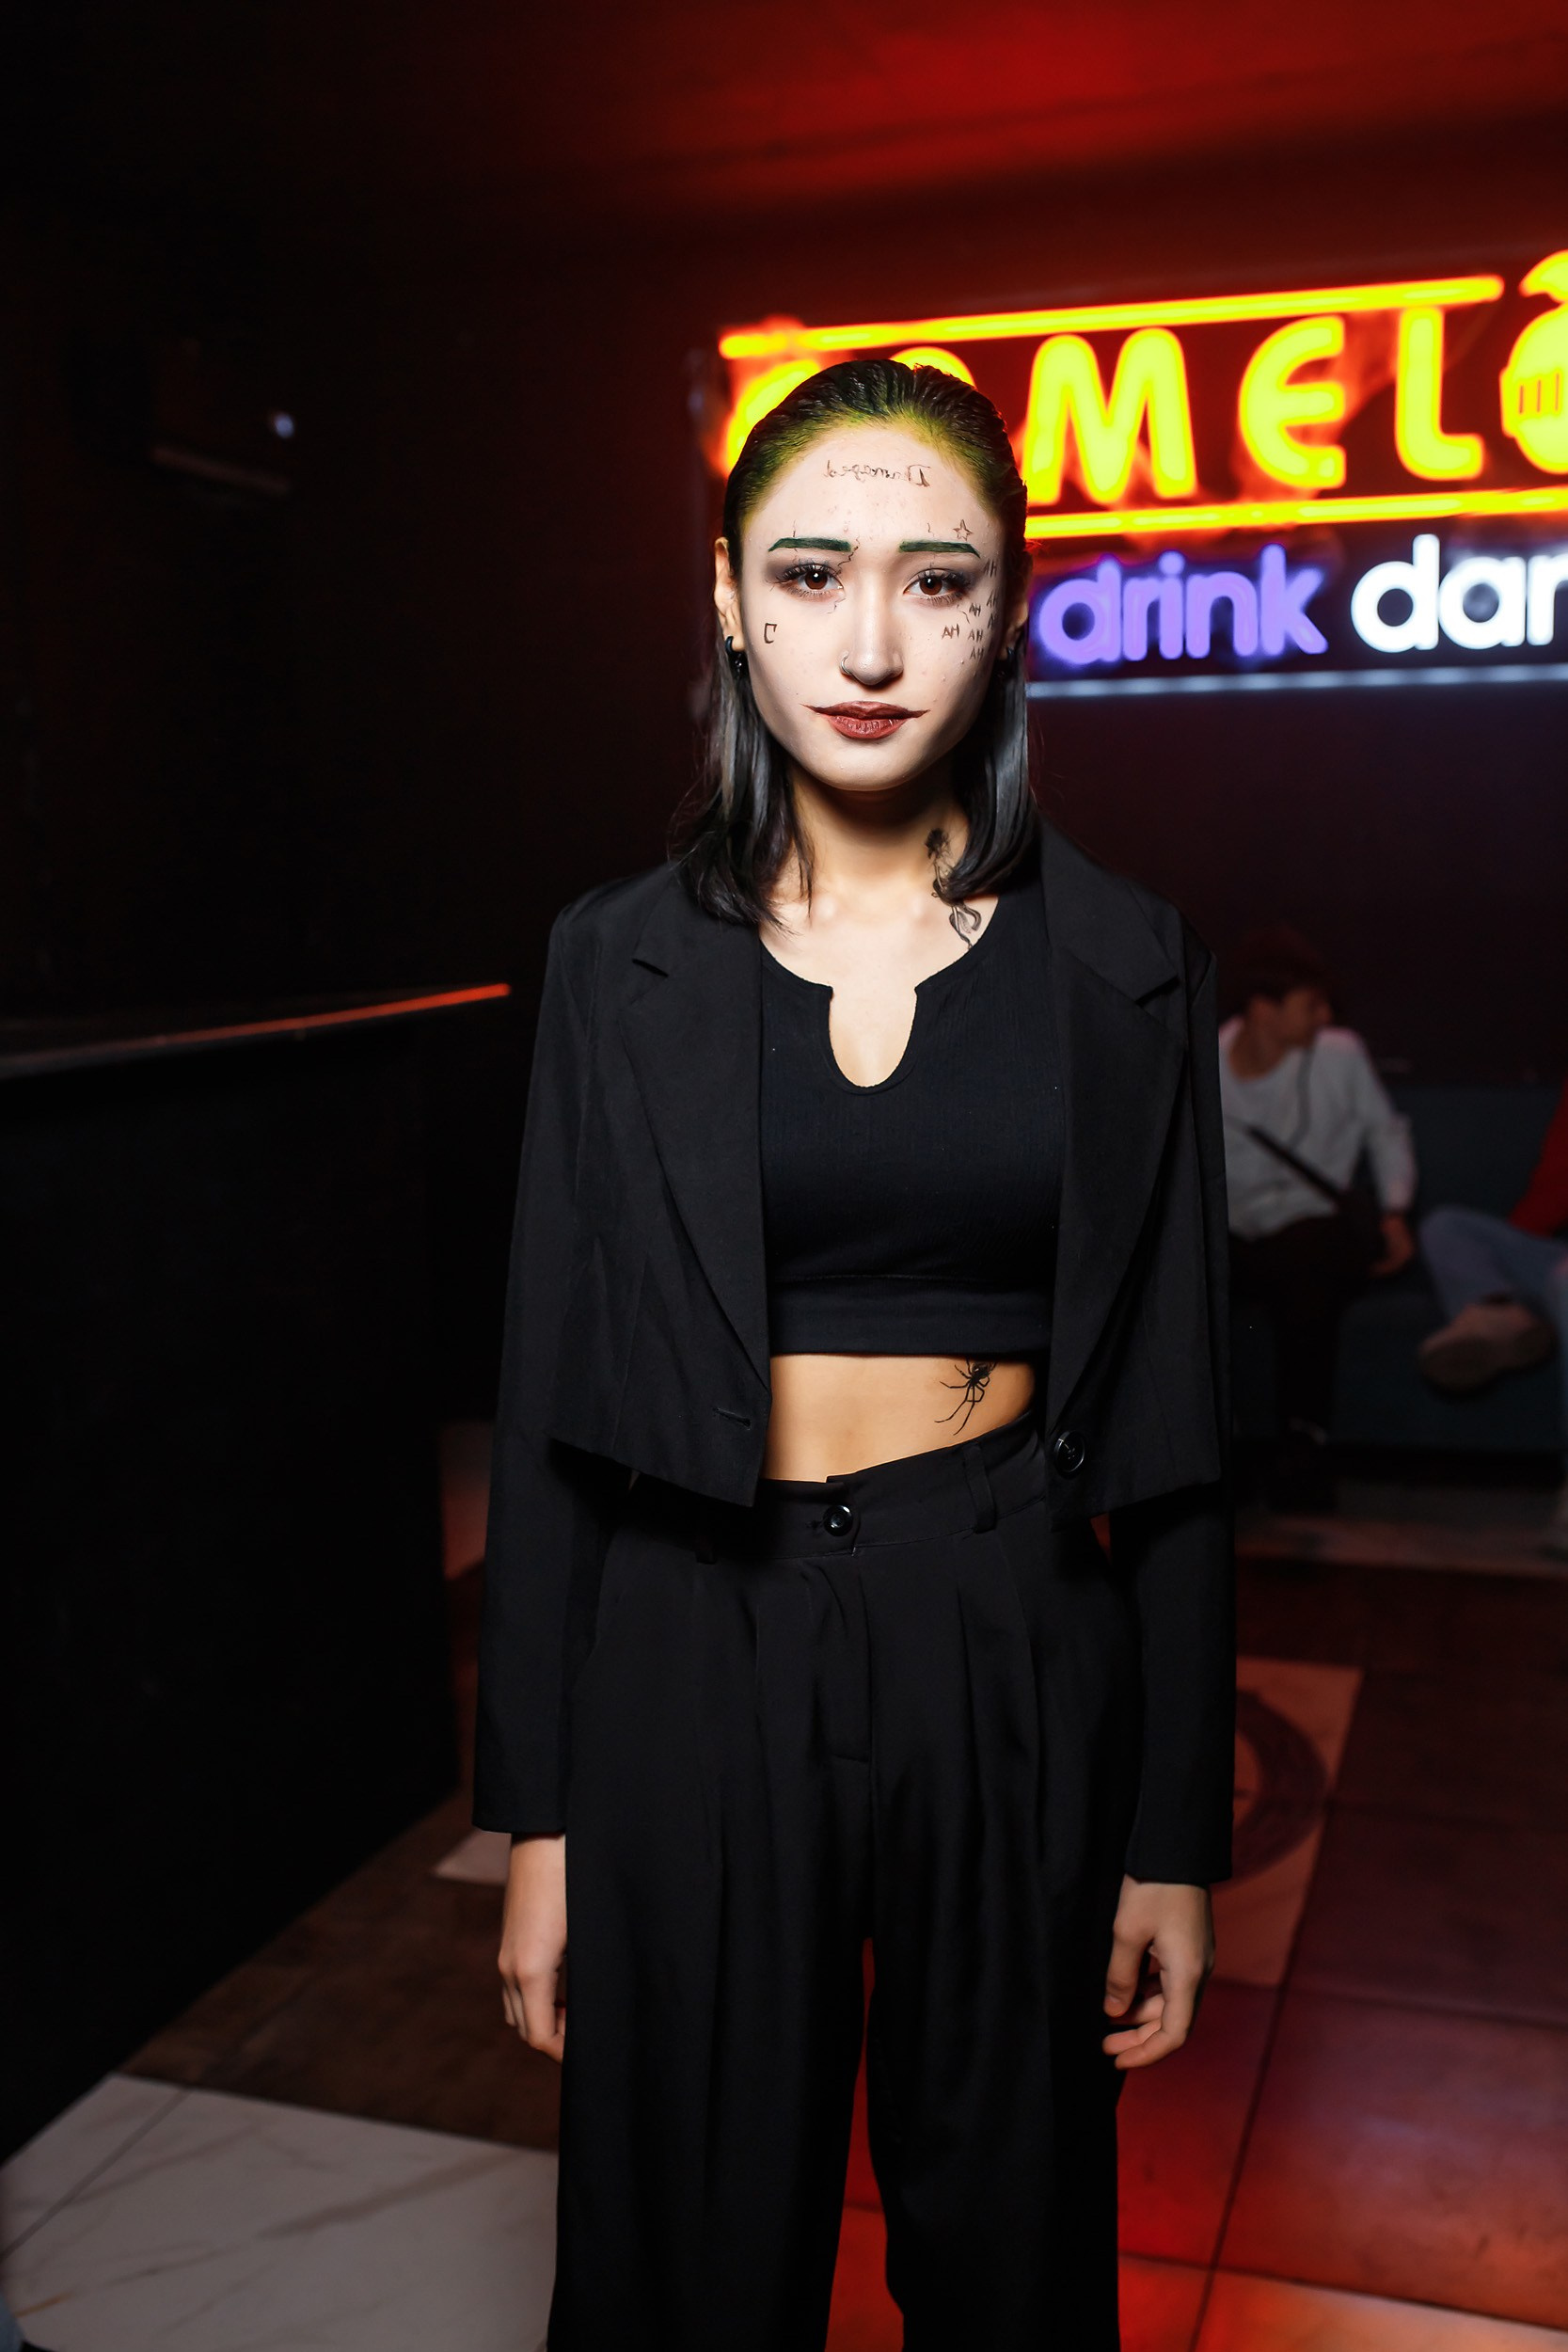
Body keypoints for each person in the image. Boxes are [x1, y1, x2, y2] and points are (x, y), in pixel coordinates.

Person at [475, 359, 1234, 2352]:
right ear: (730, 601)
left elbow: (1175, 1431)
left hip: (1001, 1615)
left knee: (1008, 2249)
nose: (872, 643)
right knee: (682, 2258)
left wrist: (1171, 1835)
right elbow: (549, 1401)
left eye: (937, 580)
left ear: (1007, 611)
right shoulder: (613, 957)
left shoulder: (1127, 961)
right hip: (692, 1627)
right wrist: (539, 1820)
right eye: (811, 574)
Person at [1220, 928, 1417, 1510]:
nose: (1325, 1016)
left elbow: (1385, 1132)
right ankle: (1217, 1450)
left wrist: (1395, 1212)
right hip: (1238, 1229)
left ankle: (1303, 1447)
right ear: (1264, 1011)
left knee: (1308, 1259)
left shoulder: (1340, 1055)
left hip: (1316, 1223)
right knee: (1183, 1272)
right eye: (1312, 1005)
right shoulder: (1203, 1063)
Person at [1418, 1076, 1568, 1557]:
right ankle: (1498, 1314)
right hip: (1553, 1255)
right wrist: (1509, 1253)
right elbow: (1557, 1180)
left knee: (1565, 1283)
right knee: (1447, 1228)